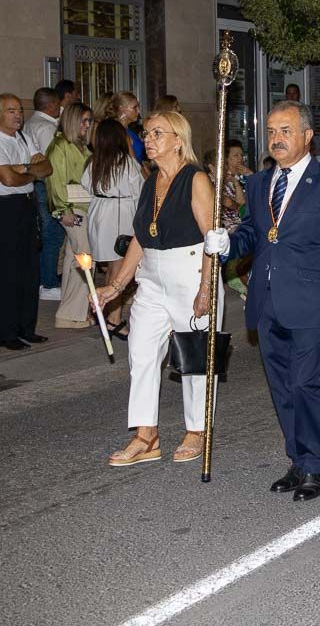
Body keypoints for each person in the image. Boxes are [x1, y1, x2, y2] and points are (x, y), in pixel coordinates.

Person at [203, 101, 320, 501]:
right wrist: (227, 243)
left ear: (307, 136)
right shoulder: (258, 184)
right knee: (280, 385)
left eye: (286, 131)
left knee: (304, 382)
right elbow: (256, 235)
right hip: (267, 299)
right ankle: (297, 459)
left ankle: (315, 464)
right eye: (272, 131)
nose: (276, 138)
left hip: (313, 301)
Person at [94, 111, 222, 465]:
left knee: (195, 358)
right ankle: (146, 436)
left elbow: (213, 238)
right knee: (141, 352)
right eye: (146, 133)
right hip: (151, 275)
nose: (147, 139)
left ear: (178, 140)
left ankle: (197, 430)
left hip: (191, 270)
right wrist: (116, 285)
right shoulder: (150, 181)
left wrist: (206, 287)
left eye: (156, 133)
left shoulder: (195, 179)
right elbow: (140, 235)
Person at [0, 94, 53, 350]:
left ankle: (26, 327)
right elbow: (7, 180)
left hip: (27, 205)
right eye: (11, 110)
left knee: (30, 268)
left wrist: (23, 170)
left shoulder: (24, 137)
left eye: (19, 109)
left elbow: (47, 167)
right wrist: (28, 172)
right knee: (9, 271)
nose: (18, 114)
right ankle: (7, 331)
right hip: (7, 209)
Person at [82, 119, 144, 333]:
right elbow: (140, 189)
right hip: (121, 214)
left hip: (99, 213)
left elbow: (85, 185)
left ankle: (106, 313)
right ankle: (114, 319)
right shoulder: (125, 162)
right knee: (121, 269)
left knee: (112, 268)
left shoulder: (94, 161)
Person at [46, 103, 95, 329]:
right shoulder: (60, 146)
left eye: (89, 121)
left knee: (73, 260)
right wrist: (63, 210)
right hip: (72, 208)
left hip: (81, 206)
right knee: (84, 260)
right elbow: (55, 181)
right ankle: (73, 313)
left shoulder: (78, 145)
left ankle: (68, 312)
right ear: (73, 121)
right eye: (84, 121)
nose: (87, 125)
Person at [26, 87, 64, 301]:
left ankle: (45, 279)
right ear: (50, 105)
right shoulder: (46, 127)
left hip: (38, 184)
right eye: (58, 104)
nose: (59, 108)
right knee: (52, 234)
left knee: (47, 233)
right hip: (47, 185)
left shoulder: (31, 123)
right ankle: (48, 283)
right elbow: (53, 162)